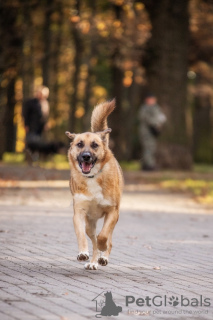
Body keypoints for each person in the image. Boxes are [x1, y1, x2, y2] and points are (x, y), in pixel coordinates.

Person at [138, 93, 166, 171]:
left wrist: (158, 125)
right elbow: (145, 118)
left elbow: (161, 117)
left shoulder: (156, 108)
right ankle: (149, 165)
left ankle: (148, 164)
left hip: (153, 132)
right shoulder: (145, 108)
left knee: (151, 148)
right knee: (148, 148)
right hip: (146, 132)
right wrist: (155, 123)